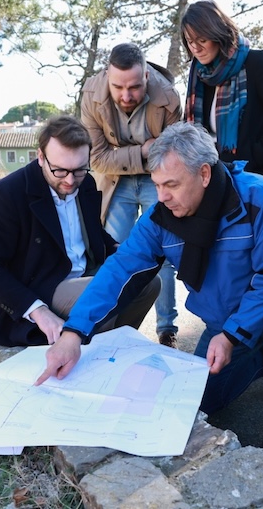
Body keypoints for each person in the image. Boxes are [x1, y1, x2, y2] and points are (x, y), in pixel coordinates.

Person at [34, 121, 263, 473]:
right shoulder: (161, 217)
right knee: (198, 405)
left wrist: (232, 336)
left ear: (203, 174)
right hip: (224, 322)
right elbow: (119, 270)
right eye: (156, 186)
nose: (162, 197)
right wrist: (73, 333)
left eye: (171, 184)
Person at [0, 115, 161, 347]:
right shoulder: (7, 195)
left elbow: (94, 235)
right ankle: (93, 353)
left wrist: (120, 251)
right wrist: (38, 310)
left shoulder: (86, 184)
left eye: (79, 170)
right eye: (60, 170)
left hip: (85, 272)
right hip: (40, 286)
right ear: (41, 157)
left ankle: (111, 347)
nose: (70, 180)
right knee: (102, 296)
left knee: (149, 282)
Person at [80, 42, 182, 348]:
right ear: (107, 77)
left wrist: (128, 154)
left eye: (134, 87)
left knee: (161, 252)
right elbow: (96, 158)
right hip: (115, 181)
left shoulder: (169, 98)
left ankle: (167, 329)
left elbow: (171, 155)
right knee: (112, 254)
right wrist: (144, 150)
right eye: (118, 87)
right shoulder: (91, 95)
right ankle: (105, 324)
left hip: (156, 179)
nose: (126, 96)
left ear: (147, 76)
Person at [180, 0, 263, 185]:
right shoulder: (198, 74)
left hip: (253, 178)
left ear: (218, 35)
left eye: (202, 40)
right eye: (190, 42)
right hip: (212, 179)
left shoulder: (254, 62)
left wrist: (254, 156)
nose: (196, 48)